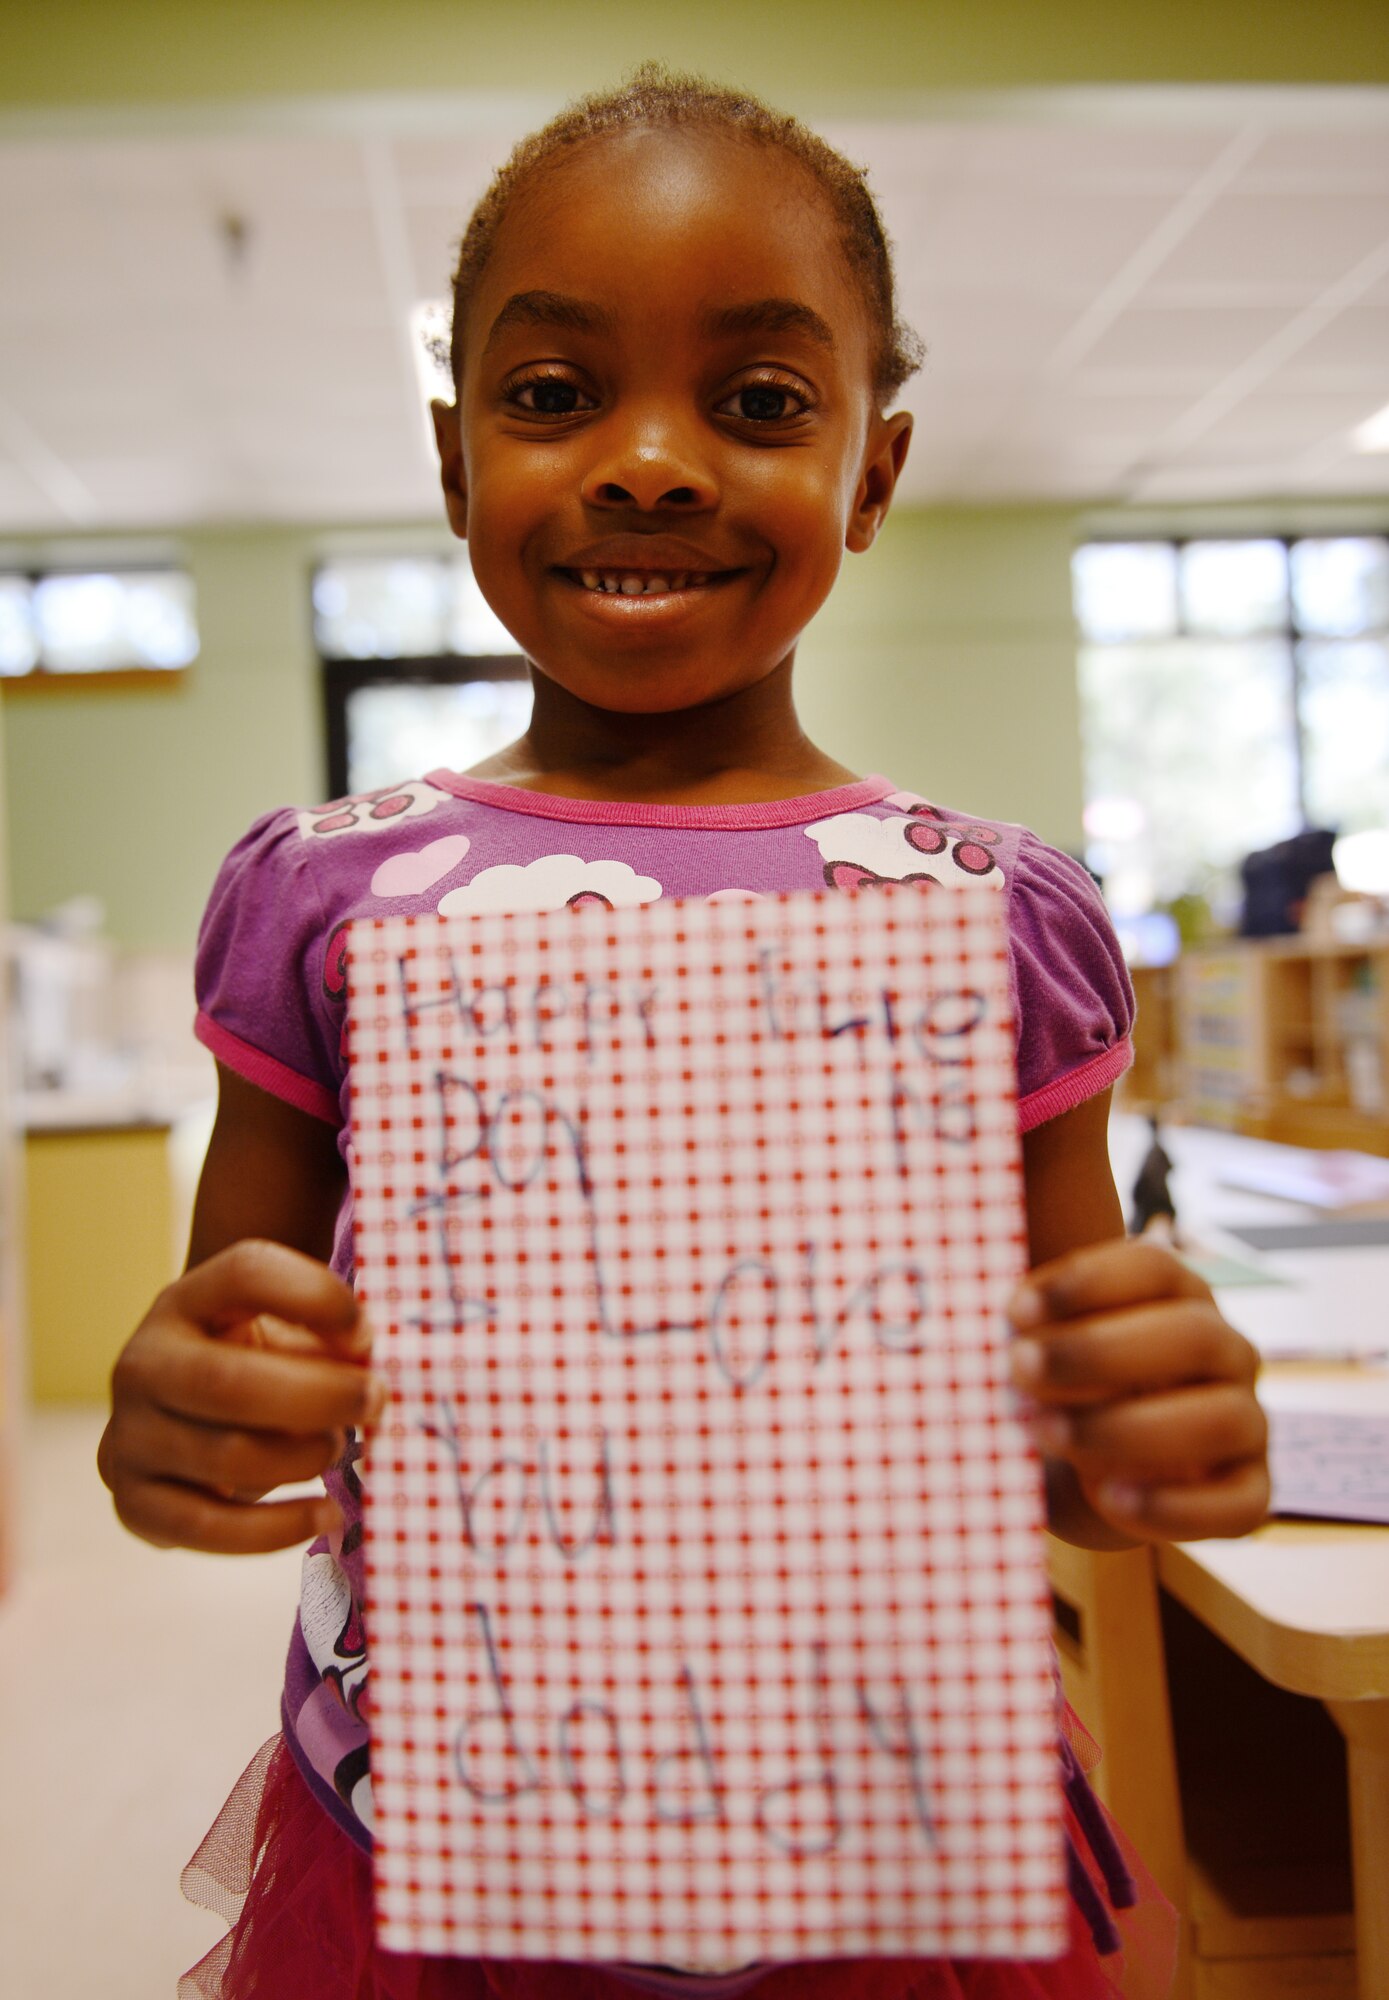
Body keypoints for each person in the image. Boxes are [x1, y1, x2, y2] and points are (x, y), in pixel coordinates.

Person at [98, 65, 1268, 2000]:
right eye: (554, 397)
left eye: (759, 403)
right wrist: (186, 1426)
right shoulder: (326, 894)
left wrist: (1153, 1426)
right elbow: (236, 1353)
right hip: (439, 1832)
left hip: (881, 1834)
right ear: (455, 461)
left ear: (871, 473)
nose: (650, 464)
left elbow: (1072, 1432)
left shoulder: (991, 917)